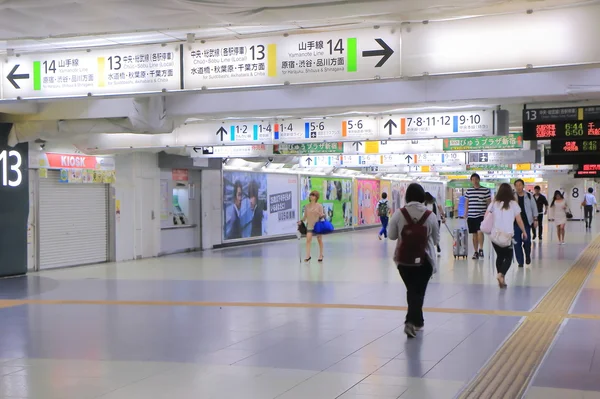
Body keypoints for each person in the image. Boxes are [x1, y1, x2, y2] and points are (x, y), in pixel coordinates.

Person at [389, 183, 440, 338]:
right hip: (425, 260)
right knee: (418, 291)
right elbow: (436, 239)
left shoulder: (398, 214)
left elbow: (391, 236)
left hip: (404, 260)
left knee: (412, 290)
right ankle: (411, 321)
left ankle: (417, 321)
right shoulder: (430, 215)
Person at [485, 183, 528, 288]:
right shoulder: (513, 204)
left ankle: (501, 278)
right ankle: (501, 275)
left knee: (499, 256)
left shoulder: (494, 203)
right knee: (508, 257)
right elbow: (519, 220)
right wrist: (524, 231)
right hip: (507, 236)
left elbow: (486, 216)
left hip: (494, 235)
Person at [464, 173, 492, 260]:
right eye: (473, 179)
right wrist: (465, 212)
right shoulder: (469, 191)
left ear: (479, 180)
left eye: (476, 179)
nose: (475, 181)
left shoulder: (485, 190)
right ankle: (475, 251)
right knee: (474, 234)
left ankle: (481, 249)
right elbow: (467, 202)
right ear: (471, 181)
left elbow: (489, 202)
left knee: (480, 232)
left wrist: (489, 213)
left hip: (481, 215)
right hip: (471, 215)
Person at [513, 179, 538, 267]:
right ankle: (520, 261)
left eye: (520, 185)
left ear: (523, 186)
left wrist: (535, 219)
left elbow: (534, 208)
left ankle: (527, 254)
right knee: (516, 243)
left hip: (527, 222)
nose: (518, 187)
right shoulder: (512, 197)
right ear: (515, 186)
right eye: (517, 185)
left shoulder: (529, 196)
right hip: (515, 223)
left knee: (527, 241)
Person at [299, 190, 325, 262]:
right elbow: (305, 216)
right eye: (310, 195)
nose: (311, 196)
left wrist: (319, 213)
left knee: (319, 240)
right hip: (309, 225)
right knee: (308, 240)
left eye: (313, 195)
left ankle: (321, 254)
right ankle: (308, 255)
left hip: (317, 225)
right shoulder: (307, 206)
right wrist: (301, 221)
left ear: (316, 197)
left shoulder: (319, 206)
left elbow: (322, 216)